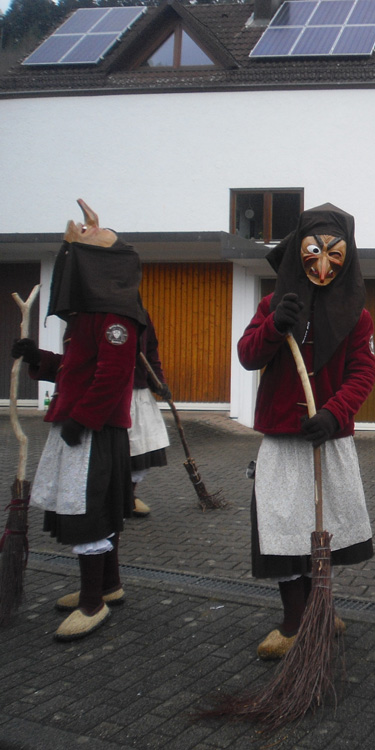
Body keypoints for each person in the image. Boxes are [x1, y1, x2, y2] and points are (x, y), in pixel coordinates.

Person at [238, 202, 375, 660]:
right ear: (299, 249)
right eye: (315, 251)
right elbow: (248, 355)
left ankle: (322, 610)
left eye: (335, 253)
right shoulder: (272, 304)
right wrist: (274, 326)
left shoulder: (359, 315)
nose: (323, 264)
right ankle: (295, 621)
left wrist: (335, 413)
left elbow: (364, 372)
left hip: (327, 440)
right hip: (282, 440)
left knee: (323, 529)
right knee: (282, 529)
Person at [11, 200, 146, 641]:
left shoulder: (116, 315)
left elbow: (113, 375)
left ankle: (92, 603)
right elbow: (77, 368)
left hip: (95, 431)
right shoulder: (87, 316)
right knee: (93, 510)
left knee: (90, 514)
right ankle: (108, 585)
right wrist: (38, 358)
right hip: (80, 425)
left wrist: (81, 420)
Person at [127, 316, 171, 518]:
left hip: (139, 393)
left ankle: (128, 496)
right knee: (117, 452)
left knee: (143, 450)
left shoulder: (141, 315)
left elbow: (151, 352)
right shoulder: (105, 312)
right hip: (114, 392)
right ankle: (112, 499)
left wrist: (159, 383)